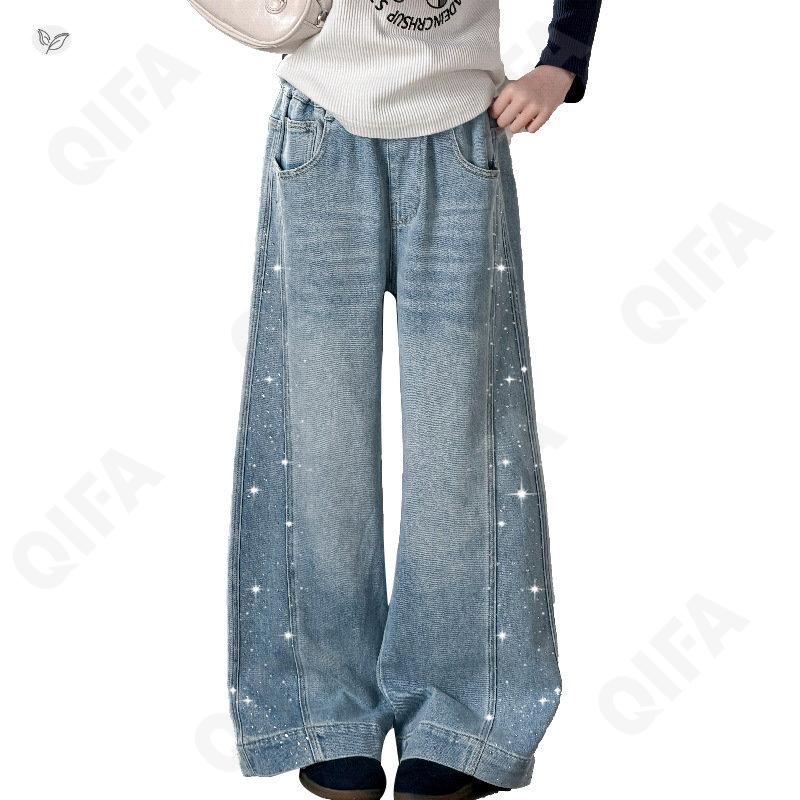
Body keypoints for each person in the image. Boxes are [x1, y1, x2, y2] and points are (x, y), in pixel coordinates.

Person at [227, 2, 602, 799]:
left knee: (463, 437)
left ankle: (460, 715)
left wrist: (563, 59)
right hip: (321, 126)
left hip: (460, 128)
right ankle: (326, 711)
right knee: (315, 430)